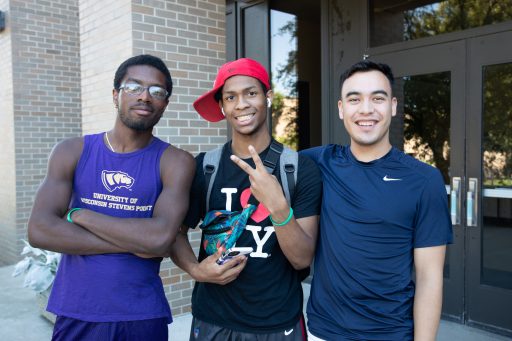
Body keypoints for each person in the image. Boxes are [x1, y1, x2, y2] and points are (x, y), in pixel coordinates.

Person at [27, 54, 195, 341]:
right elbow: (39, 230)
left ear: (165, 104)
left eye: (157, 91)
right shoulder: (72, 151)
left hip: (141, 314)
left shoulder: (175, 161)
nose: (145, 96)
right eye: (134, 87)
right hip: (77, 309)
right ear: (116, 94)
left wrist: (79, 215)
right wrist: (136, 240)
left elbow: (159, 239)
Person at [169, 58, 322, 340]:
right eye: (231, 97)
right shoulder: (206, 167)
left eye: (251, 93)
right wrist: (195, 270)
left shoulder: (299, 169)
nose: (241, 104)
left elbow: (302, 260)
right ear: (222, 107)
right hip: (212, 318)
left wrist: (276, 204)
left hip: (278, 323)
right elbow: (174, 233)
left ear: (268, 97)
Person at [301, 60, 453, 341]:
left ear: (393, 106)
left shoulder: (423, 180)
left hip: (390, 333)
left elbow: (429, 277)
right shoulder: (317, 163)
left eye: (378, 98)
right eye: (354, 99)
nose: (366, 109)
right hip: (322, 332)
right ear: (341, 109)